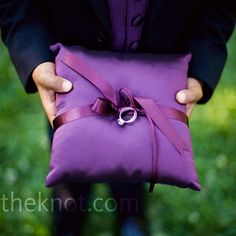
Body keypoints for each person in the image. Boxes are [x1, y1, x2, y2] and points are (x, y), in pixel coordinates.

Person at [0, 0, 235, 235]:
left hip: (156, 73)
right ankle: (69, 219)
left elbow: (219, 8)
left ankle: (131, 216)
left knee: (135, 162)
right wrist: (35, 57)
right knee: (70, 156)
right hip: (72, 82)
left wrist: (201, 67)